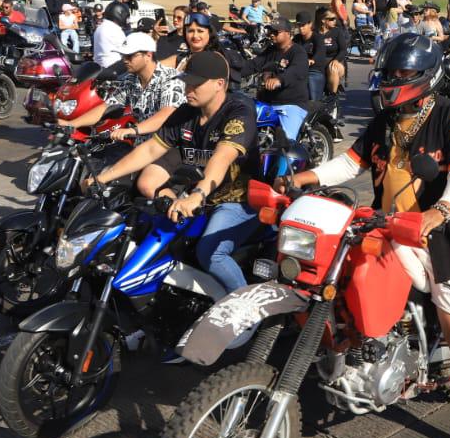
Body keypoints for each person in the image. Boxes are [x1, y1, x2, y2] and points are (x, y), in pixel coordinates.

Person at [282, 33, 450, 438]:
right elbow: (352, 163)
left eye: (402, 74)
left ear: (425, 76)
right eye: (389, 73)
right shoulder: (386, 118)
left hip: (447, 236)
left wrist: (439, 212)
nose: (391, 81)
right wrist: (304, 177)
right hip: (391, 226)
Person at [86, 51, 261, 298]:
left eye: (196, 83)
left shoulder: (239, 112)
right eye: (187, 81)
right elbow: (150, 149)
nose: (188, 88)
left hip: (236, 200)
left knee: (210, 252)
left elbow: (222, 157)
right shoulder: (187, 112)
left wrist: (197, 194)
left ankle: (246, 310)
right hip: (197, 198)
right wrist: (103, 177)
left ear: (219, 84)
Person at [59, 31, 185, 141]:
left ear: (148, 55)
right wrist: (72, 124)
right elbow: (107, 107)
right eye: (123, 55)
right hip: (141, 145)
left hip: (166, 148)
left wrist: (133, 130)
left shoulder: (171, 79)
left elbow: (165, 115)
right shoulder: (131, 80)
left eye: (130, 56)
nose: (125, 60)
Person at [249, 18, 309, 139]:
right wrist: (228, 70)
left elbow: (295, 71)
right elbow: (253, 65)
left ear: (288, 33)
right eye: (270, 31)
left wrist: (279, 80)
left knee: (285, 144)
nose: (271, 34)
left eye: (276, 32)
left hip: (291, 104)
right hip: (268, 103)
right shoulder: (270, 51)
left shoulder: (298, 52)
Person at [93, 1, 131, 67]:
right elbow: (127, 50)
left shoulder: (101, 27)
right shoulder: (114, 29)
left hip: (100, 66)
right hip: (113, 67)